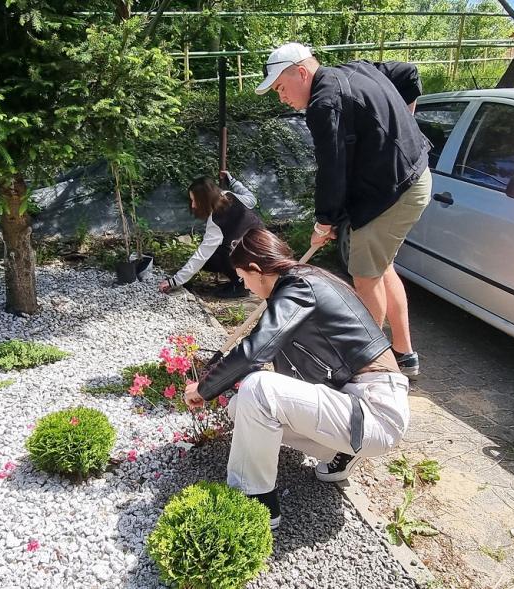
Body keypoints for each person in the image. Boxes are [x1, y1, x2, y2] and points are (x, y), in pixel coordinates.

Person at [184, 228, 410, 529]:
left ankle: (255, 503)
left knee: (259, 389)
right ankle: (338, 453)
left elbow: (254, 354)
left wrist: (204, 388)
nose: (247, 287)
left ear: (256, 270)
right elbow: (255, 347)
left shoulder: (300, 287)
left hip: (375, 411)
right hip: (354, 403)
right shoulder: (301, 283)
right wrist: (215, 380)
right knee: (241, 406)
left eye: (244, 278)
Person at [255, 42, 432, 377]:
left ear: (302, 73)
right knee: (382, 267)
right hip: (411, 177)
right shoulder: (356, 68)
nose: (281, 97)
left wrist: (324, 222)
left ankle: (369, 369)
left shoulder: (323, 104)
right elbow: (408, 74)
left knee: (365, 278)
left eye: (281, 87)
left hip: (391, 192)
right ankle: (405, 355)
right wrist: (404, 127)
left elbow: (332, 169)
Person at [158, 171, 263, 299]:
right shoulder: (229, 195)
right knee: (218, 251)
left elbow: (201, 255)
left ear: (204, 200)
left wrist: (174, 281)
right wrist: (232, 180)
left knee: (215, 255)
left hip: (252, 258)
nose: (193, 205)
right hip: (263, 246)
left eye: (194, 200)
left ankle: (241, 285)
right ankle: (239, 278)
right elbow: (251, 199)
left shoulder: (216, 222)